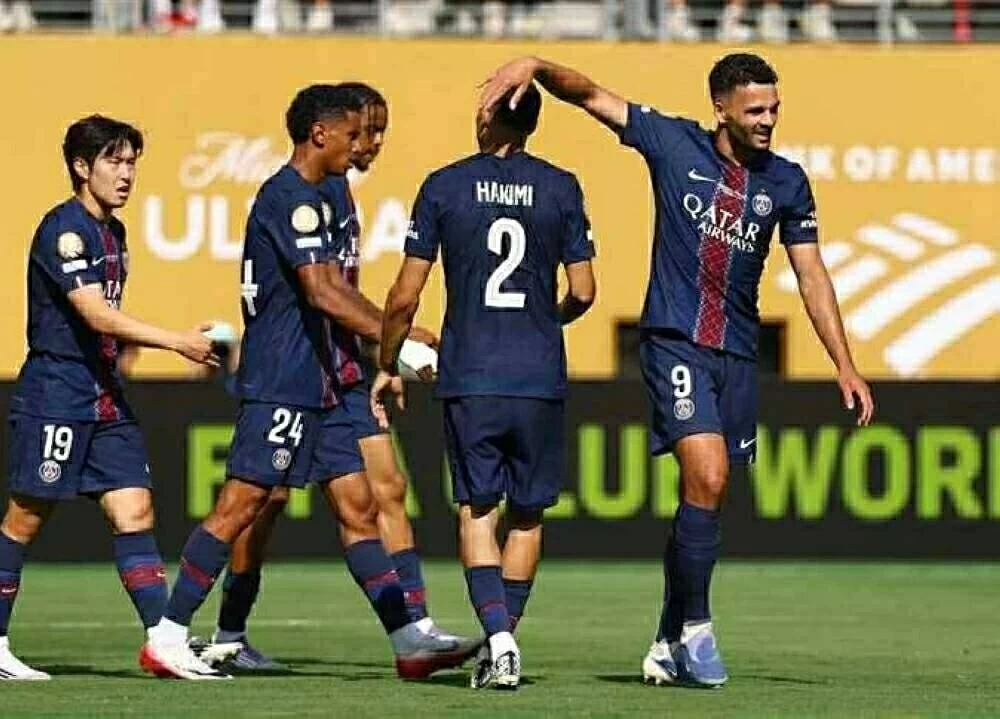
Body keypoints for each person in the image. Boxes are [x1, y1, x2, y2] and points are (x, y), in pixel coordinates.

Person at [479, 53, 874, 687]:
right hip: (674, 343)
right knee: (708, 473)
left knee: (703, 494)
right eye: (755, 110)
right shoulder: (671, 143)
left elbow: (811, 274)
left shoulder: (787, 182)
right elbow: (592, 95)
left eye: (774, 108)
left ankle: (666, 642)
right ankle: (696, 625)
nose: (768, 120)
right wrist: (538, 66)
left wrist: (844, 363)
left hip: (737, 355)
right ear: (721, 108)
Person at [139, 85, 468, 680]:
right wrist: (396, 338)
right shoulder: (289, 198)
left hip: (327, 382)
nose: (362, 145)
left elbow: (336, 290)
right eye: (353, 134)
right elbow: (321, 291)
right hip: (284, 378)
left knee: (359, 507)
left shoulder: (325, 194)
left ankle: (408, 639)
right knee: (242, 504)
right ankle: (168, 635)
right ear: (321, 134)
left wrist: (387, 343)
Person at [372, 83, 597, 690]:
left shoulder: (445, 185)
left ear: (487, 119)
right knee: (527, 515)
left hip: (471, 375)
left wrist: (388, 360)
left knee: (477, 511)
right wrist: (543, 321)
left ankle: (497, 641)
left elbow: (404, 295)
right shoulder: (562, 186)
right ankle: (506, 645)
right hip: (539, 375)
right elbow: (583, 292)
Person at [0, 115, 220, 680]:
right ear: (82, 167)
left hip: (103, 392)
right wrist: (176, 341)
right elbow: (95, 313)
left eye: (131, 163)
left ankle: (162, 641)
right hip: (57, 390)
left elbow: (105, 322)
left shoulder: (113, 232)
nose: (126, 175)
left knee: (134, 509)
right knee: (25, 518)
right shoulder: (65, 231)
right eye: (114, 162)